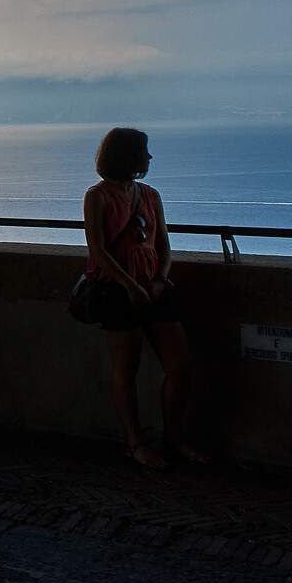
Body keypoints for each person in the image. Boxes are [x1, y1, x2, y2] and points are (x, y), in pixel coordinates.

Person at [81, 126, 208, 469]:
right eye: (143, 151)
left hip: (153, 287)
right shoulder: (97, 196)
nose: (149, 158)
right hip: (117, 291)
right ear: (127, 155)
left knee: (180, 365)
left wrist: (159, 280)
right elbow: (98, 249)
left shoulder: (151, 195)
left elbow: (163, 244)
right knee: (127, 369)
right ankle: (135, 443)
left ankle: (173, 439)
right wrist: (130, 286)